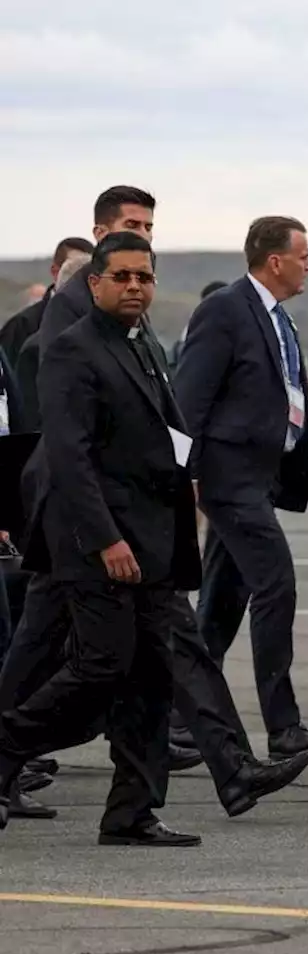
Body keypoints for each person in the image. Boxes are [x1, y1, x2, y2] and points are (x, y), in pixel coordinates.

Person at [0, 232, 202, 844]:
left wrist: (189, 486)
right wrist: (106, 539)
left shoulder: (146, 348)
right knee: (100, 666)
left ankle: (131, 813)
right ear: (95, 283)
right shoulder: (68, 350)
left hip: (152, 541)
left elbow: (169, 434)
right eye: (122, 276)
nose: (135, 286)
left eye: (144, 277)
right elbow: (69, 457)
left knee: (150, 675)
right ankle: (6, 746)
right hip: (95, 543)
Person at [175, 216, 308, 761]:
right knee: (276, 584)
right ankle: (283, 728)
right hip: (228, 481)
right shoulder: (225, 310)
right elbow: (189, 402)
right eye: (303, 254)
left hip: (259, 481)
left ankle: (178, 717)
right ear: (274, 260)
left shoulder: (280, 321)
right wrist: (179, 479)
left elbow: (299, 404)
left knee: (220, 606)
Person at [0, 237, 94, 364]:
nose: (83, 278)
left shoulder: (107, 322)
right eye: (74, 268)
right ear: (55, 272)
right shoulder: (22, 326)